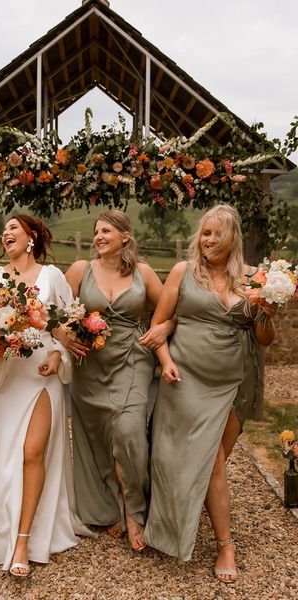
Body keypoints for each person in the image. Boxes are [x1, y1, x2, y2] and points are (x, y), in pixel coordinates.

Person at [144, 204, 276, 583]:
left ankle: (182, 514)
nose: (209, 240)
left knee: (205, 463)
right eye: (205, 233)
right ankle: (225, 546)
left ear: (232, 237)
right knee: (212, 461)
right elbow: (158, 324)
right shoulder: (184, 273)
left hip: (234, 381)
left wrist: (266, 310)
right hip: (185, 380)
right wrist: (165, 360)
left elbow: (265, 340)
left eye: (217, 233)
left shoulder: (253, 279)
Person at [0, 214, 92, 576]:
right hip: (5, 376)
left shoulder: (53, 278)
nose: (6, 233)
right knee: (4, 456)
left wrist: (57, 354)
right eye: (4, 230)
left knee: (32, 452)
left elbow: (69, 328)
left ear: (31, 236)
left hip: (40, 376)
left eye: (14, 228)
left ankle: (22, 540)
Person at [62, 210, 174, 551]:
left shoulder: (143, 272)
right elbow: (57, 313)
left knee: (127, 431)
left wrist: (163, 328)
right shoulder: (81, 270)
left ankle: (136, 511)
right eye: (96, 231)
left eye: (106, 230)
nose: (98, 236)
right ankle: (109, 506)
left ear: (125, 236)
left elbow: (171, 309)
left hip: (132, 356)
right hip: (90, 363)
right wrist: (64, 337)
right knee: (96, 436)